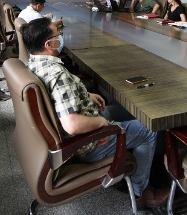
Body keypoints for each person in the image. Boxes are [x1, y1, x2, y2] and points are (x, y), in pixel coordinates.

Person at [21, 18, 169, 209]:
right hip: (87, 142)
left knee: (124, 110)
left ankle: (129, 163)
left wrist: (83, 94)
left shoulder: (35, 62)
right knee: (148, 130)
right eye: (58, 35)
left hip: (78, 123)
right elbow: (72, 125)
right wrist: (101, 123)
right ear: (49, 44)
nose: (61, 37)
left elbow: (57, 97)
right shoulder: (58, 74)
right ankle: (140, 192)